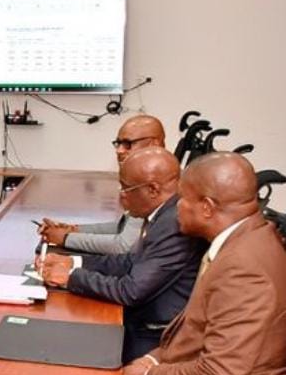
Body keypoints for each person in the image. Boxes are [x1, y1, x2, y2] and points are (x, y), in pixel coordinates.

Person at [119, 153, 286, 375]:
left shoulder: (244, 266)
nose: (175, 207)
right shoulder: (247, 239)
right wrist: (154, 359)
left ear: (207, 207)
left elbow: (222, 373)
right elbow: (197, 332)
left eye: (182, 199)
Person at [39, 148, 204, 363]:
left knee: (60, 350)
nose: (121, 195)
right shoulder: (165, 212)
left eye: (126, 188)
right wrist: (74, 261)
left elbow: (130, 291)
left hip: (154, 337)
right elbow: (131, 261)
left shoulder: (173, 223)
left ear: (153, 189)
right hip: (142, 322)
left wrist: (71, 276)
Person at [38, 115, 167, 254]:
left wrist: (65, 238)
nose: (119, 151)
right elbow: (122, 228)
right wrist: (73, 229)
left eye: (128, 144)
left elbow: (124, 246)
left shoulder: (154, 183)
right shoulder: (144, 177)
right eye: (118, 143)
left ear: (154, 144)